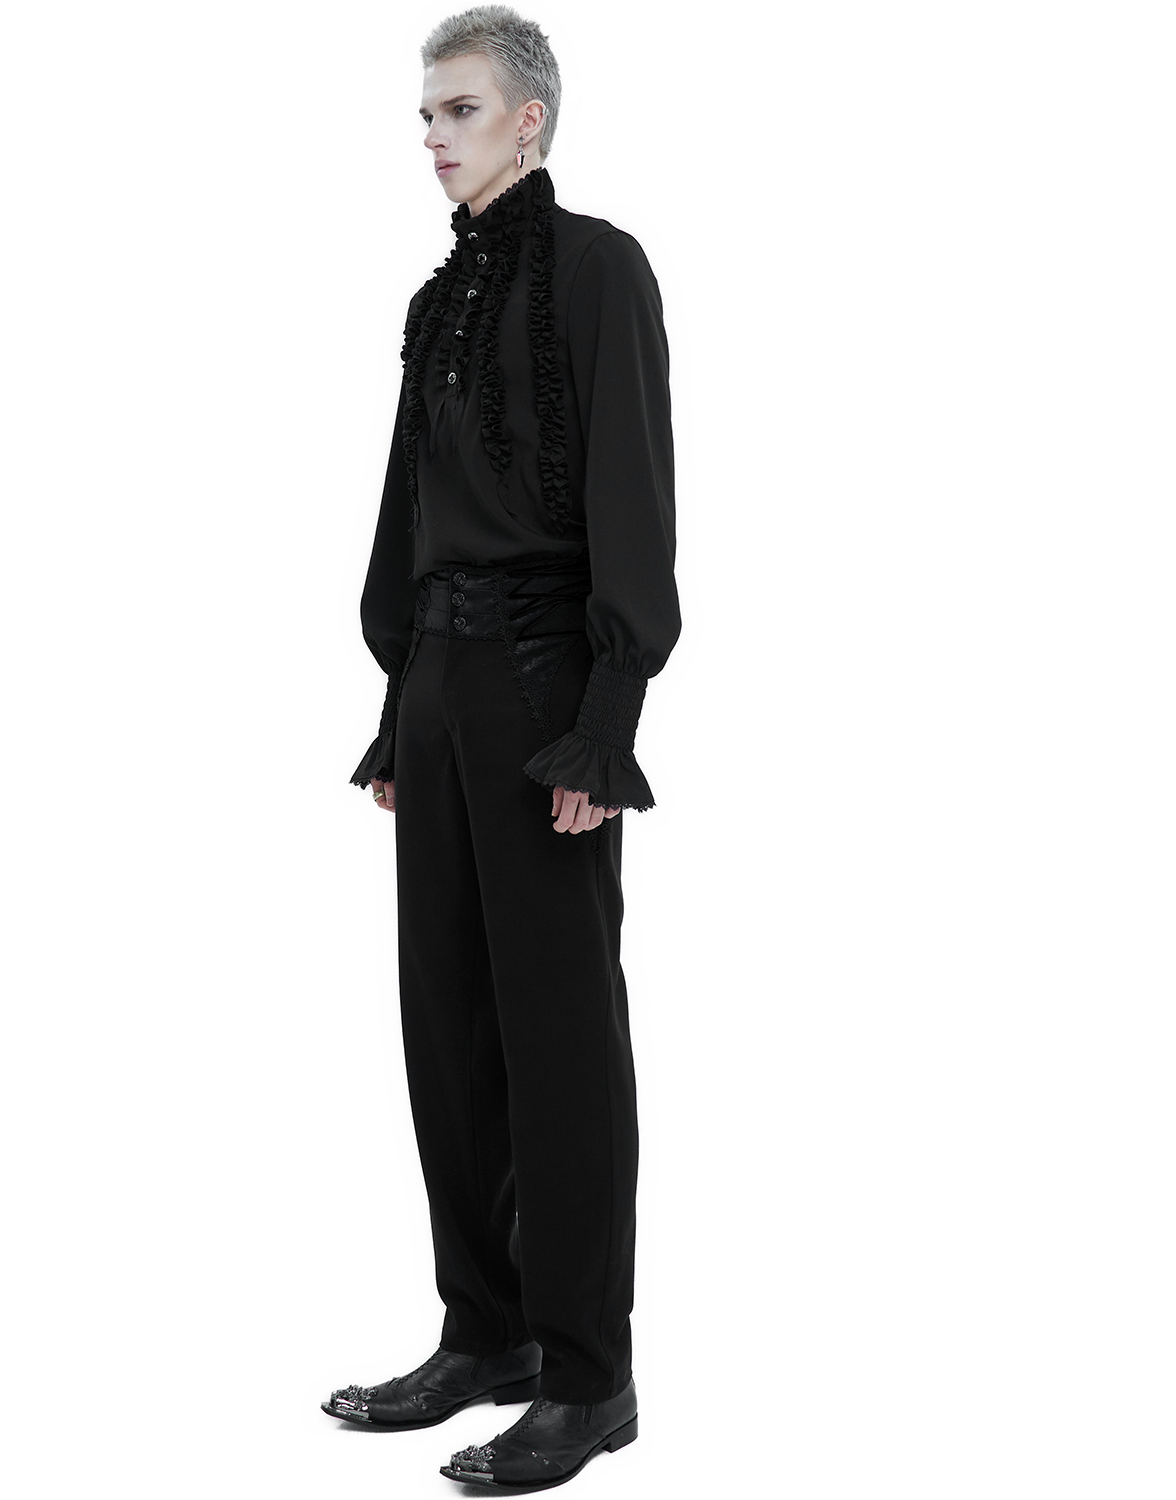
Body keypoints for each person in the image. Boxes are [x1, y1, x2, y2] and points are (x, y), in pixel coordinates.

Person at [323, 7, 681, 1490]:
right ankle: (486, 1333)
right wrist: (395, 704)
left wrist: (605, 723)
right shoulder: (438, 299)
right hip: (440, 682)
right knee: (449, 1025)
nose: (432, 136)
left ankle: (590, 1375)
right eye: (424, 115)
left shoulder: (599, 269)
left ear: (528, 120)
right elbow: (406, 512)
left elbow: (635, 501)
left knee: (558, 1036)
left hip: (544, 691)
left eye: (457, 110)